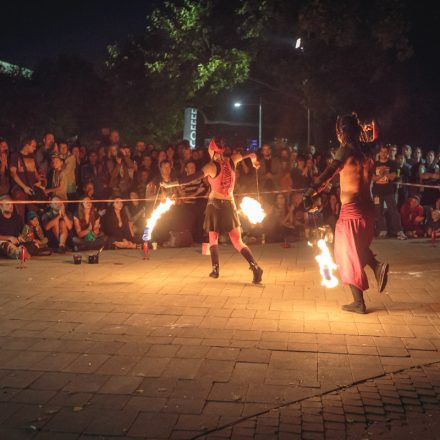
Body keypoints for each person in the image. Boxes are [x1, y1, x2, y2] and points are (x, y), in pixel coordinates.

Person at [303, 114, 389, 314]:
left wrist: (310, 192)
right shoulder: (367, 150)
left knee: (345, 254)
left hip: (352, 210)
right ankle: (376, 267)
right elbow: (380, 139)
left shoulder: (346, 150)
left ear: (342, 132)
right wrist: (373, 124)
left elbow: (328, 173)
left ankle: (359, 302)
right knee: (356, 249)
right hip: (368, 210)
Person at [161, 137, 263, 284]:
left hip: (215, 204)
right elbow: (251, 152)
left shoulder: (211, 166)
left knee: (213, 237)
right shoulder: (233, 159)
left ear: (212, 151)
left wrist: (169, 185)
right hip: (229, 204)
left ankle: (216, 269)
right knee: (237, 241)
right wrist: (254, 161)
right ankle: (255, 267)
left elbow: (190, 179)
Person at [372, 145, 407, 240]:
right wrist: (381, 175)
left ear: (388, 153)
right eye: (382, 152)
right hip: (377, 192)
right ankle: (382, 230)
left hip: (389, 192)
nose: (383, 154)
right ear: (379, 153)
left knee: (393, 211)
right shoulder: (374, 164)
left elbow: (393, 176)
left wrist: (385, 173)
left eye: (385, 152)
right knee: (378, 211)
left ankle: (399, 231)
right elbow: (373, 178)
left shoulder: (393, 164)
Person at [9, 136, 43, 222]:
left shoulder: (33, 156)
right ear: (26, 145)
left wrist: (39, 181)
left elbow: (35, 171)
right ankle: (20, 232)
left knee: (34, 216)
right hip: (19, 189)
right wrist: (24, 187)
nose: (35, 148)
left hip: (31, 189)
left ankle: (33, 232)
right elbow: (13, 173)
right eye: (33, 146)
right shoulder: (15, 155)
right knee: (20, 215)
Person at [0, 195, 30, 260]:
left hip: (16, 243)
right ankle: (19, 253)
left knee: (33, 244)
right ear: (1, 206)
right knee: (5, 245)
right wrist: (9, 238)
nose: (10, 206)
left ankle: (21, 251)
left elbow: (21, 231)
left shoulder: (17, 218)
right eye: (7, 204)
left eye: (12, 204)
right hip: (4, 242)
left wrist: (20, 236)